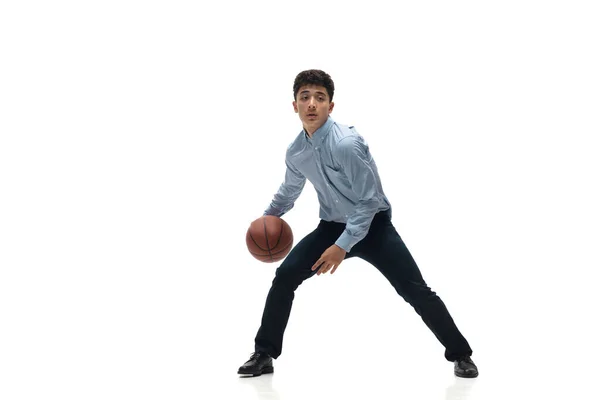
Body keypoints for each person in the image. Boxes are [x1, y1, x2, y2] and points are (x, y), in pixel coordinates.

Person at [237, 69, 478, 378]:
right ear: (294, 105)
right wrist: (267, 218)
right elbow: (289, 190)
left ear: (331, 106)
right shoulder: (296, 151)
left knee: (414, 290)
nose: (312, 103)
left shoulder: (346, 144)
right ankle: (264, 354)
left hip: (373, 225)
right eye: (305, 97)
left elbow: (368, 202)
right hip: (332, 226)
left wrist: (341, 246)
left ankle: (461, 355)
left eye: (320, 98)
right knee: (284, 277)